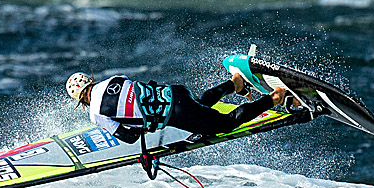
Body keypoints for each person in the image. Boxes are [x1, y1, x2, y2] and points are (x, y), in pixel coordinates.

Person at [65, 71, 287, 144]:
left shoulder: (95, 113)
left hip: (176, 113)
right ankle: (234, 83)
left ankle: (275, 97)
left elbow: (129, 137)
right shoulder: (114, 78)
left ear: (78, 100)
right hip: (175, 92)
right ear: (90, 80)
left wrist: (141, 129)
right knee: (199, 104)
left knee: (225, 124)